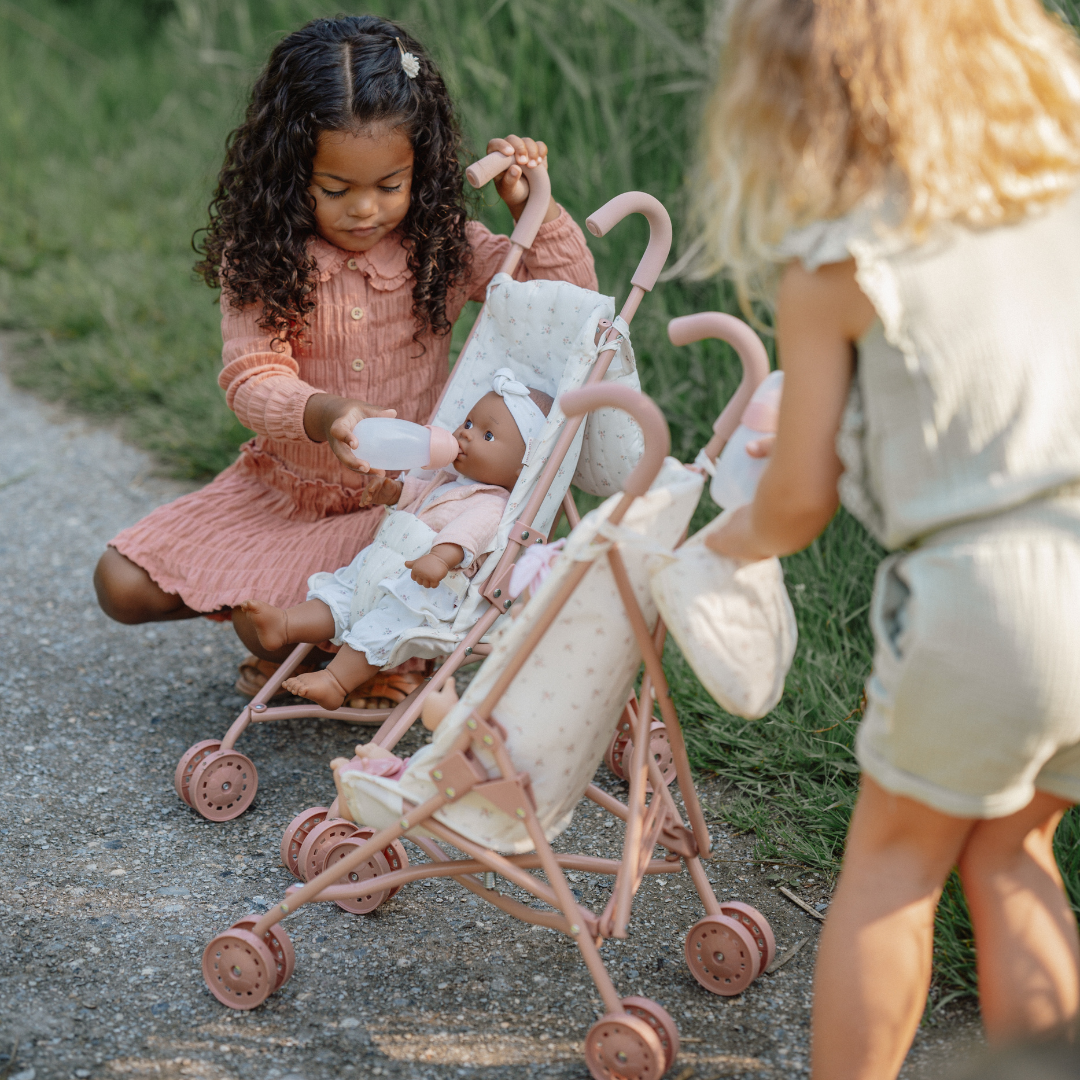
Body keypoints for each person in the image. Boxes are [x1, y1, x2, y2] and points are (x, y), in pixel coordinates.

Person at [685, 1, 1080, 1077]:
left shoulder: (841, 260)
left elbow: (799, 498)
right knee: (1014, 850)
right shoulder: (1060, 195)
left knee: (894, 873)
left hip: (987, 594)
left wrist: (727, 544)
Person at [91, 14, 596, 708]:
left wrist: (534, 211)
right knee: (120, 583)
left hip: (403, 504)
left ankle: (347, 636)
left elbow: (570, 310)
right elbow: (250, 376)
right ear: (289, 170)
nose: (366, 210)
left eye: (390, 185)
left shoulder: (438, 247)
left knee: (263, 629)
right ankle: (337, 632)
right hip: (288, 490)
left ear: (421, 168)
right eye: (336, 189)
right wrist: (323, 413)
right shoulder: (267, 257)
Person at [239, 371, 551, 711]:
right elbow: (414, 494)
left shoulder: (492, 504)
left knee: (383, 626)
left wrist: (441, 558)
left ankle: (336, 681)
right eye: (468, 423)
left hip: (425, 589)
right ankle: (285, 625)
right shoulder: (446, 480)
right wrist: (392, 491)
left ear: (523, 468)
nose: (466, 434)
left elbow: (466, 536)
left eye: (487, 435)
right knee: (341, 595)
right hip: (384, 563)